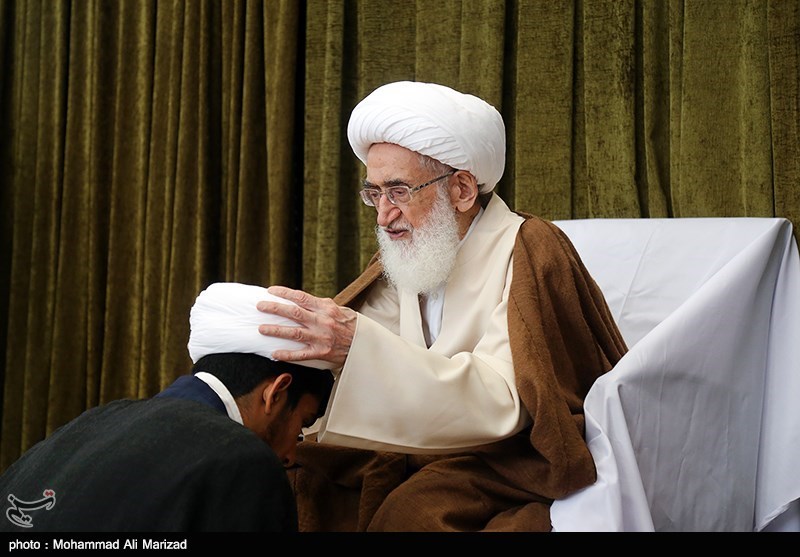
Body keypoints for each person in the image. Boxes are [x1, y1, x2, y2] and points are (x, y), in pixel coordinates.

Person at [255, 81, 628, 531]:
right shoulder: (411, 252)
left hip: (509, 455)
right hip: (426, 446)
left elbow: (505, 402)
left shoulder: (530, 247)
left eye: (398, 191)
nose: (383, 215)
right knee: (290, 478)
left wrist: (356, 346)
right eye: (374, 193)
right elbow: (365, 349)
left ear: (462, 190)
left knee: (410, 514)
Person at [0, 282, 334, 532]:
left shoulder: (90, 422)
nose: (291, 455)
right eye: (303, 423)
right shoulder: (246, 464)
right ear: (276, 393)